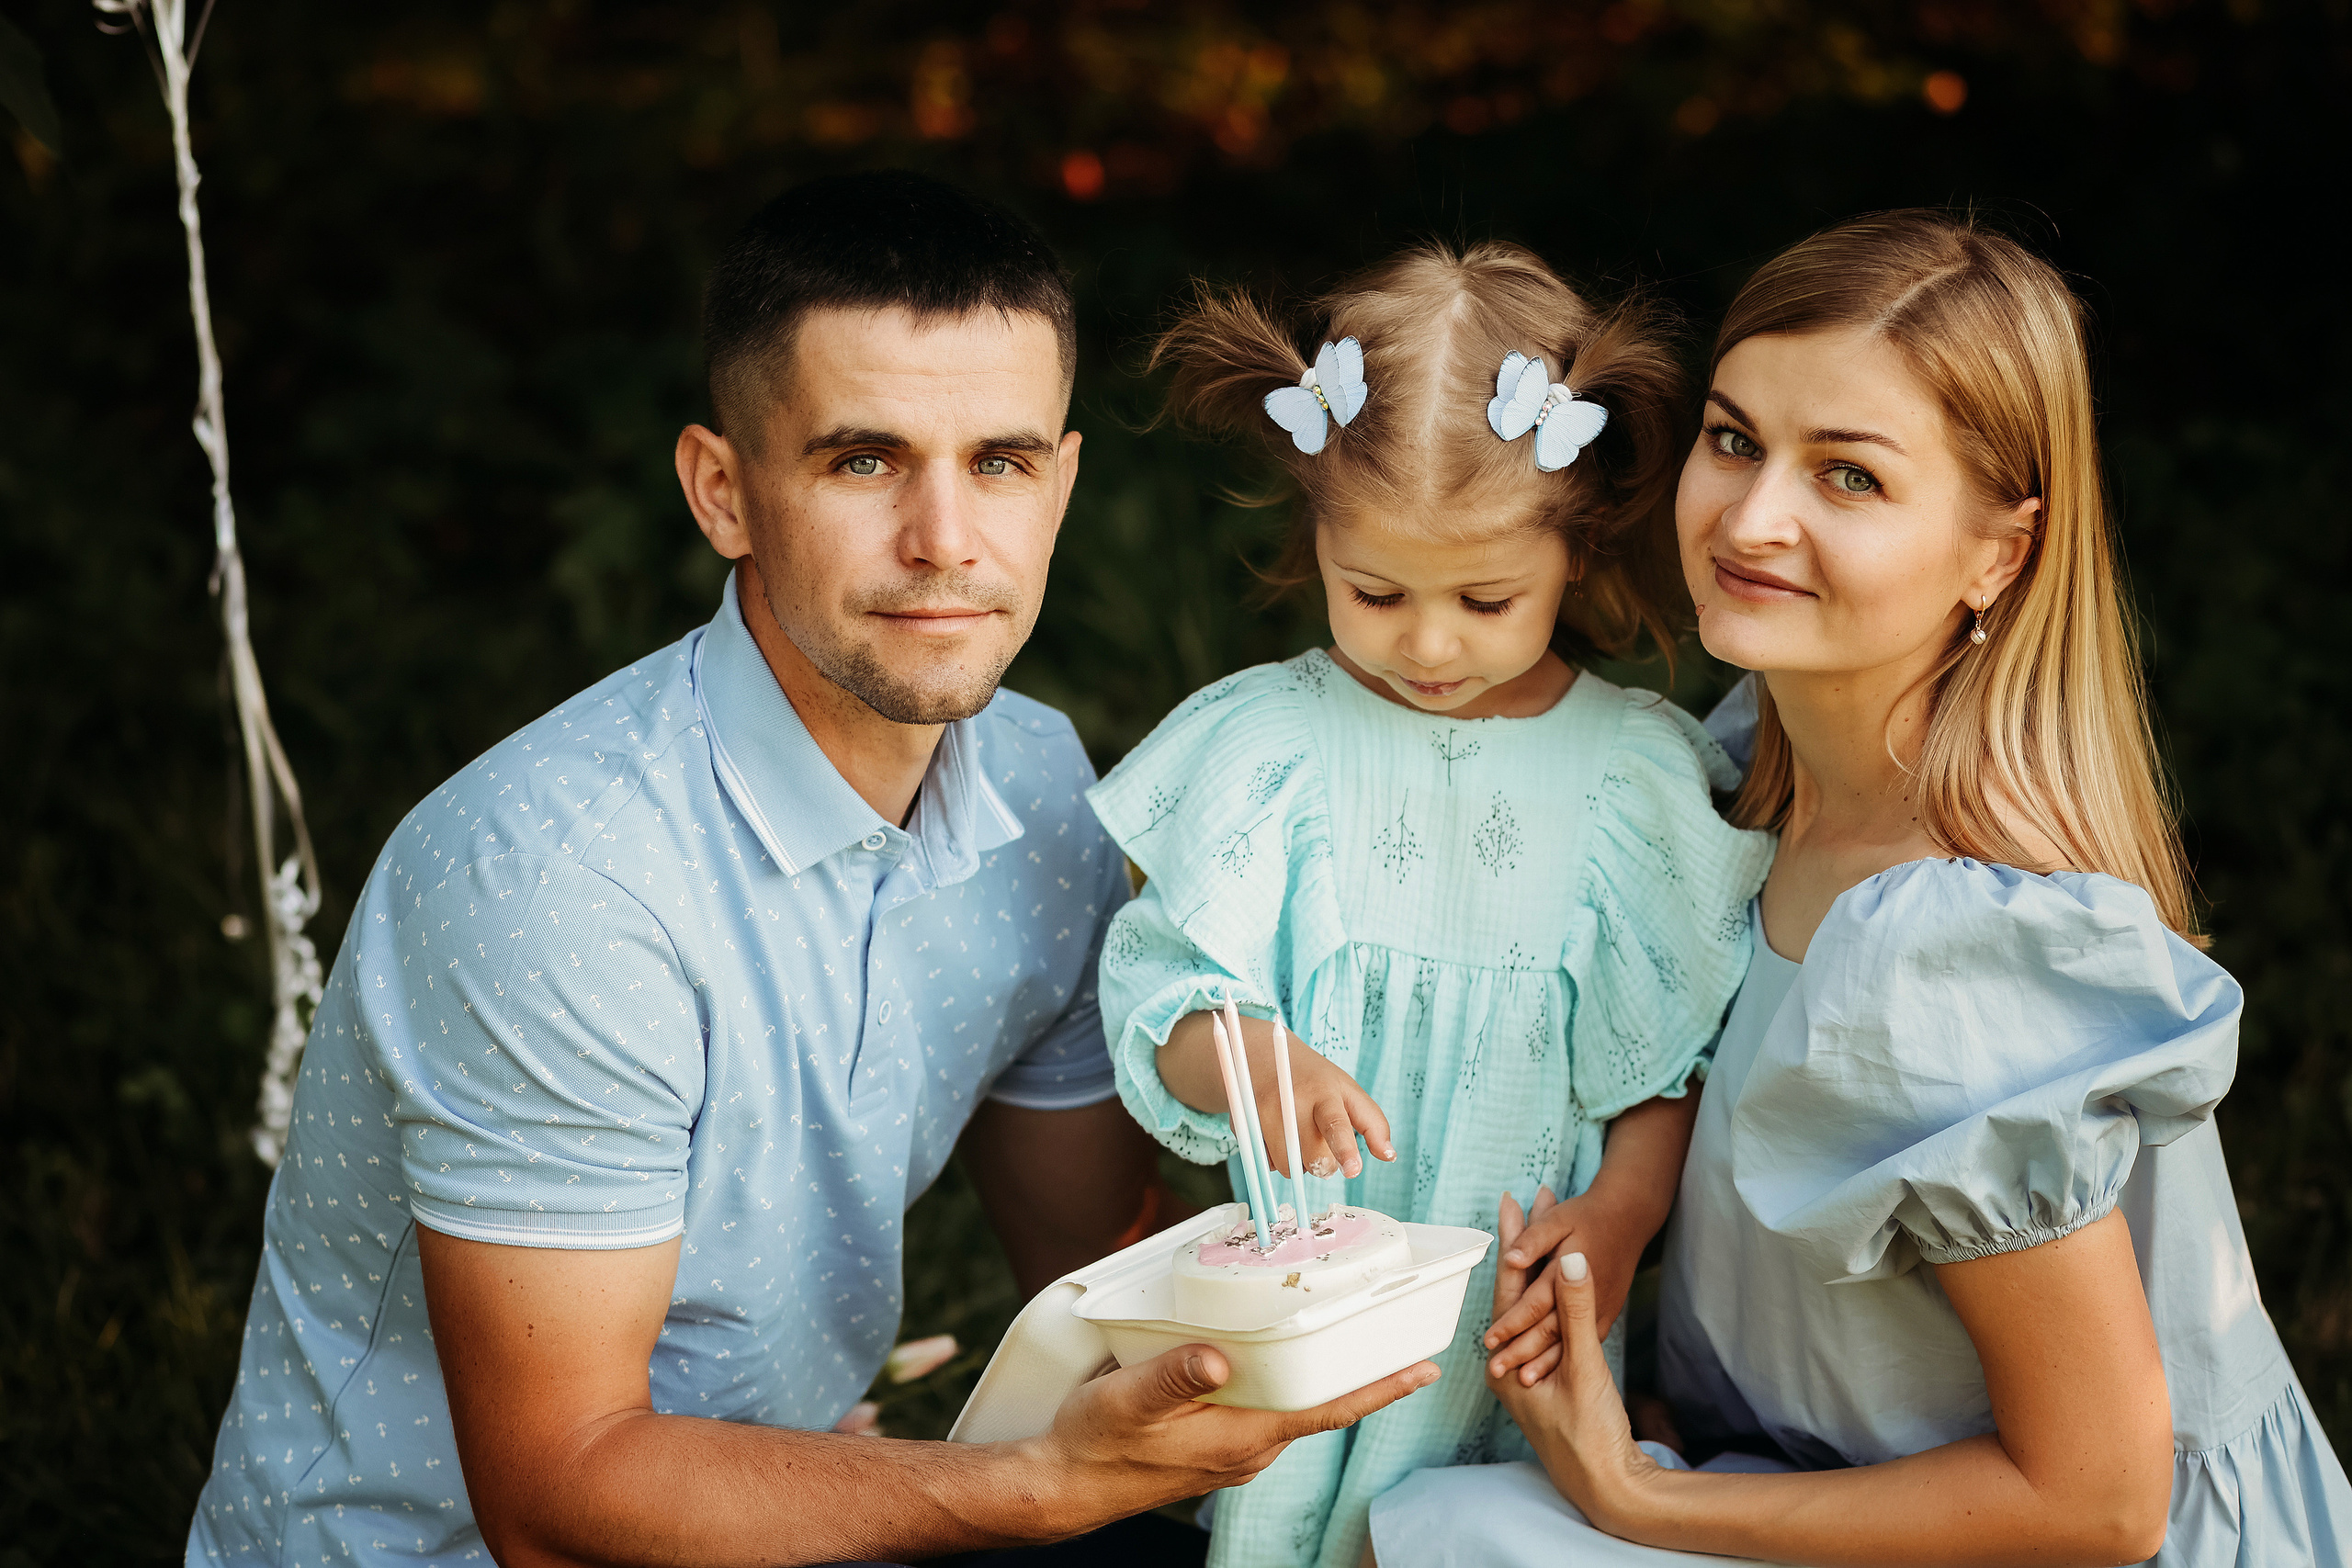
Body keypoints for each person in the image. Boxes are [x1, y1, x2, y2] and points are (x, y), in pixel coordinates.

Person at [184, 170, 1436, 1568]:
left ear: (1063, 484)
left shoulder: (1037, 784)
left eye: (1001, 463)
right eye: (863, 460)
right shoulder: (557, 885)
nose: (946, 541)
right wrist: (1027, 1489)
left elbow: (1096, 1278)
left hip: (795, 1503)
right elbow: (555, 1500)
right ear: (723, 491)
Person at [1369, 210, 2352, 1564]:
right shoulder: (1733, 782)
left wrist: (1645, 1498)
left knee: (1428, 1537)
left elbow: (2102, 1503)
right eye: (1734, 440)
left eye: (1849, 478)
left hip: (2055, 1541)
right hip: (1820, 1477)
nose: (1753, 518)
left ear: (1999, 553)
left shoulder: (1959, 938)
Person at [1087, 242, 1776, 1568]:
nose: (1429, 643)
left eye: (1485, 597)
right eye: (1376, 592)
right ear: (1319, 543)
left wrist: (1625, 1217)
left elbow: (1662, 1058)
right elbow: (1165, 992)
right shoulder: (1273, 747)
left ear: (1574, 549)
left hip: (1520, 1299)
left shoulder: (1629, 774)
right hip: (1320, 1288)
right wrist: (1255, 1066)